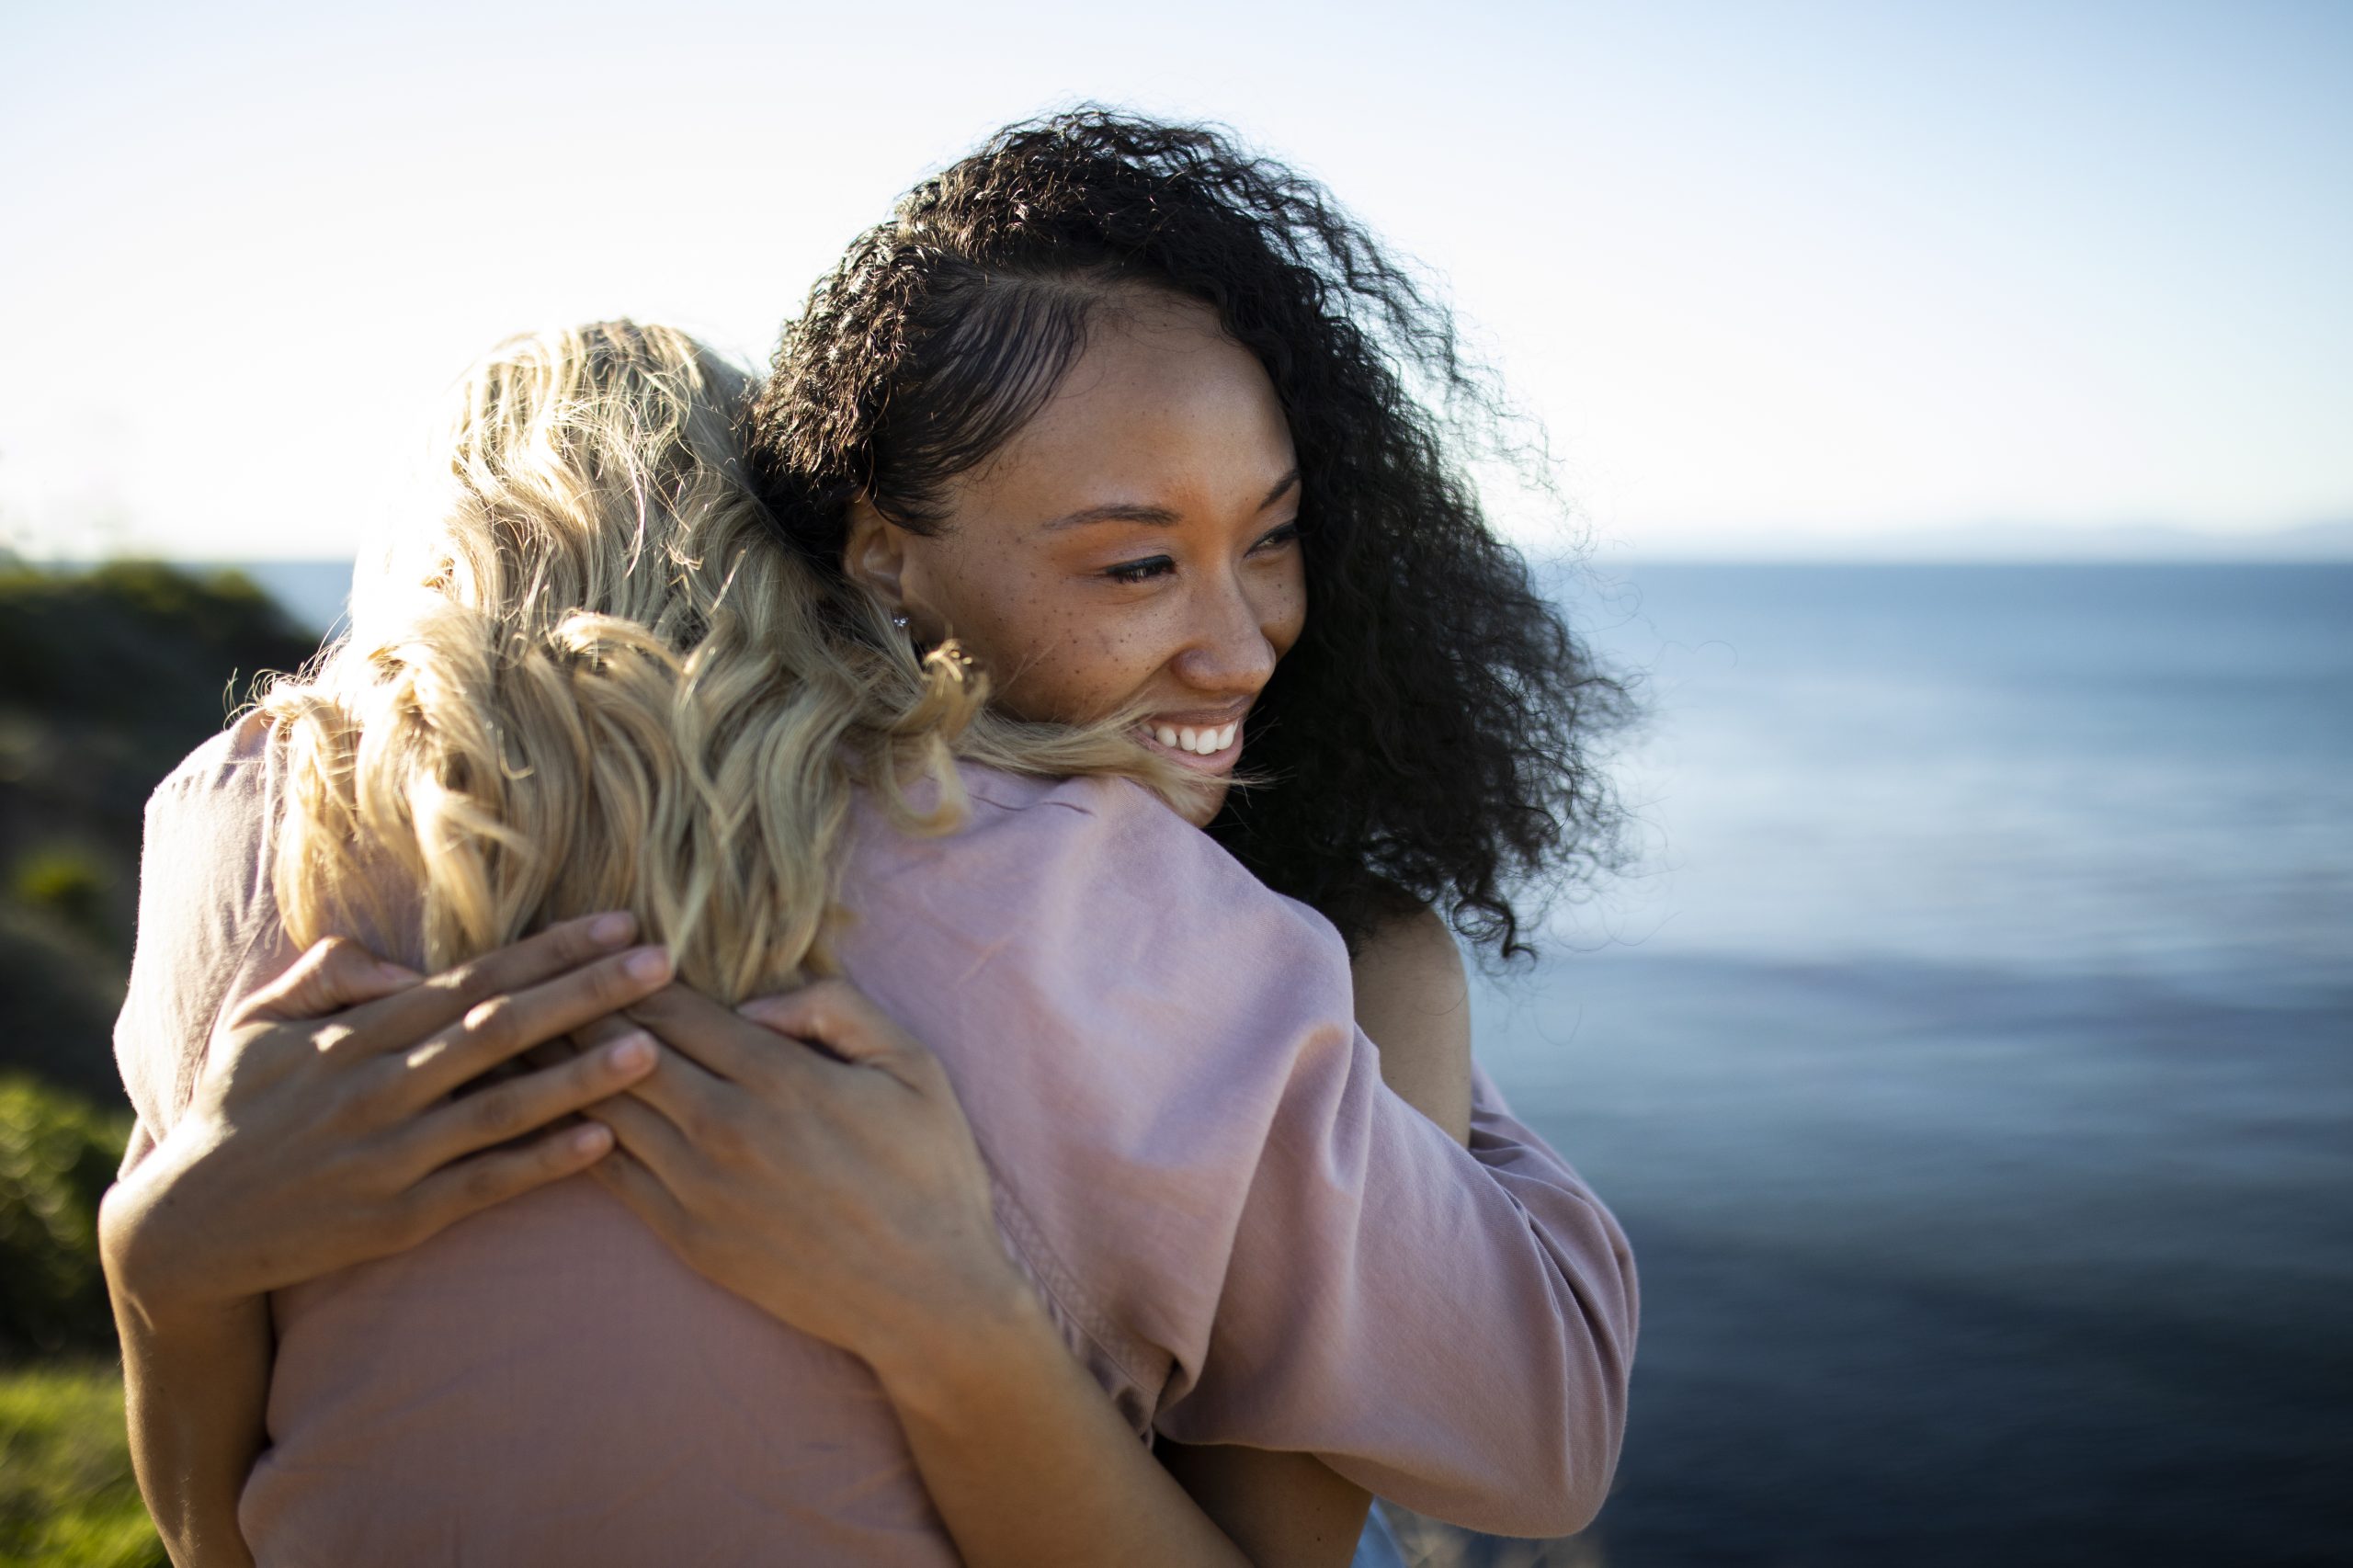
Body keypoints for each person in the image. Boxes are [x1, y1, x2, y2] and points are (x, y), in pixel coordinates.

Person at [101, 118, 1633, 1568]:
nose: (1238, 647)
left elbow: (229, 1537)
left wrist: (158, 1265)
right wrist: (951, 1308)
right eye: (1140, 561)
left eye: (1274, 535)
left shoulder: (228, 850)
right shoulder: (1070, 894)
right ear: (833, 555)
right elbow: (1549, 1431)